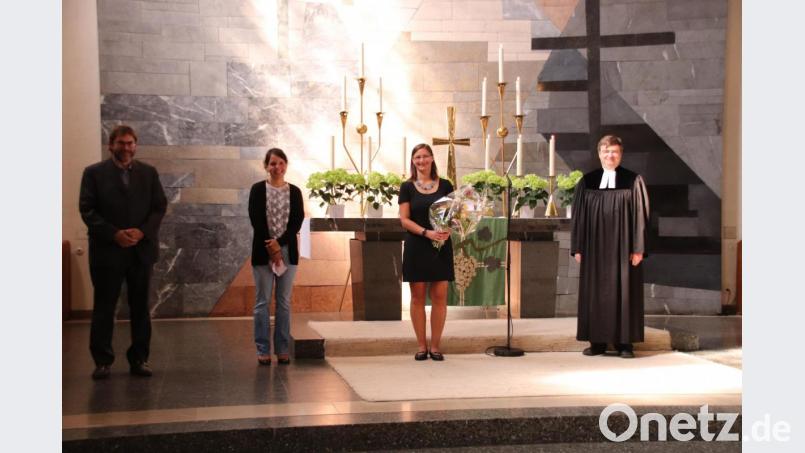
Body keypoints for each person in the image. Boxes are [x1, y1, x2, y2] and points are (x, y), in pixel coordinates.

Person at [79, 125, 167, 379]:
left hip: (140, 252)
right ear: (111, 145)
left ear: (135, 145)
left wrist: (142, 232)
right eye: (121, 143)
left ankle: (139, 359)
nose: (126, 148)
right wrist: (114, 234)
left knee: (140, 308)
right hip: (108, 252)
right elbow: (87, 210)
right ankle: (102, 361)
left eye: (130, 143)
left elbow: (159, 207)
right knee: (105, 307)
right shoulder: (94, 173)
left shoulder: (148, 173)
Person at [571, 135, 650, 358]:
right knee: (596, 294)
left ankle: (625, 344)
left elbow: (641, 218)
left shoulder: (633, 181)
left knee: (625, 293)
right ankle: (597, 342)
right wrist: (578, 247)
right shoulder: (587, 182)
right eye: (606, 152)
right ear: (599, 154)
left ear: (620, 154)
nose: (610, 156)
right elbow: (578, 217)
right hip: (594, 249)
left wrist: (638, 248)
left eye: (614, 152)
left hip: (624, 248)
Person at [248, 148, 305, 366]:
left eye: (281, 163)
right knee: (262, 302)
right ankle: (263, 349)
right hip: (263, 252)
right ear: (266, 166)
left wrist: (279, 244)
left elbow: (296, 222)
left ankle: (282, 349)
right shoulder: (257, 189)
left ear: (286, 165)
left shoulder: (295, 192)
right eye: (272, 163)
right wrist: (272, 248)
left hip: (288, 253)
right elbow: (256, 220)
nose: (277, 167)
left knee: (283, 302)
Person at [398, 143, 454, 361]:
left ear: (432, 159)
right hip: (417, 244)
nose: (421, 161)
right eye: (417, 157)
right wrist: (426, 233)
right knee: (417, 297)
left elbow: (452, 214)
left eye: (425, 156)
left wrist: (449, 227)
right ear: (413, 161)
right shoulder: (407, 187)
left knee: (440, 296)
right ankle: (422, 346)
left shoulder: (446, 184)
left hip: (440, 245)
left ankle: (436, 346)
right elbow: (404, 219)